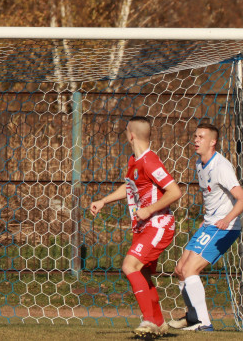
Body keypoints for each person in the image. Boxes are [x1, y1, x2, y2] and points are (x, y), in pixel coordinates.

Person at [90, 116, 182, 339]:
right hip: (143, 227)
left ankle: (149, 321)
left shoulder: (150, 161)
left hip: (158, 225)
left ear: (131, 135)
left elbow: (175, 192)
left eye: (125, 130)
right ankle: (159, 322)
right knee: (142, 273)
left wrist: (149, 210)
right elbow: (130, 188)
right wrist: (104, 201)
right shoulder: (134, 161)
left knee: (129, 265)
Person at [168, 122, 243, 332]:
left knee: (190, 269)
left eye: (201, 137)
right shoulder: (199, 164)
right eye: (195, 136)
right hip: (210, 224)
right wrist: (208, 217)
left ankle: (204, 323)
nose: (196, 140)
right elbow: (212, 195)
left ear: (213, 142)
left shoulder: (221, 166)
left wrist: (225, 218)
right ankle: (193, 317)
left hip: (225, 227)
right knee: (180, 270)